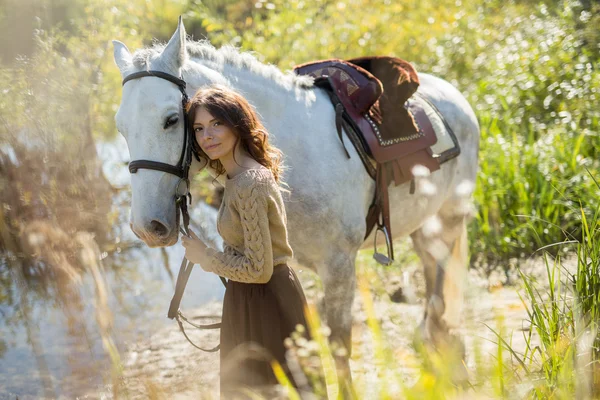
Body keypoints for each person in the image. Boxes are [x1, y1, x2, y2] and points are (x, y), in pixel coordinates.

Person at [180, 85, 310, 396]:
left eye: (216, 124)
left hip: (266, 303)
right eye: (199, 128)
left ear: (237, 124)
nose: (207, 136)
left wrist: (206, 257)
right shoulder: (235, 177)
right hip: (250, 299)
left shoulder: (250, 183)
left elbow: (258, 269)